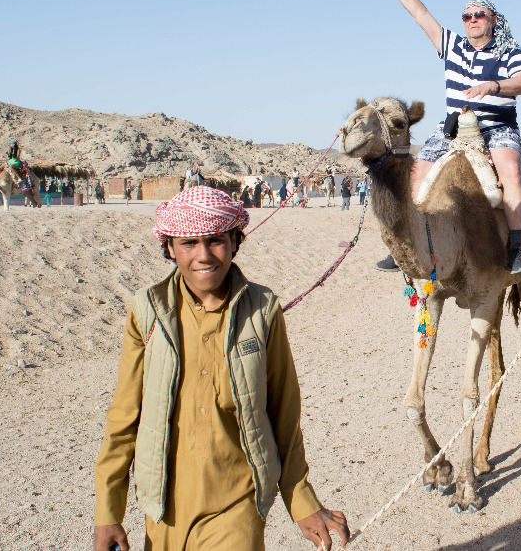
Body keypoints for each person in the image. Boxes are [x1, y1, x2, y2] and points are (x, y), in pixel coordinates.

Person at [92, 186, 349, 551]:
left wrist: (301, 501)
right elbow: (124, 418)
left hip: (237, 505)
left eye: (215, 240)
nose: (203, 256)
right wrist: (108, 513)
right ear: (169, 248)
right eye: (188, 243)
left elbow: (284, 414)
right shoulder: (147, 312)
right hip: (164, 508)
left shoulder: (263, 311)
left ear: (234, 241)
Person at [374, 0, 521, 276]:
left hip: (497, 127)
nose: (472, 19)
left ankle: (516, 247)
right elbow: (420, 14)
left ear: (493, 20)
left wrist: (494, 86)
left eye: (479, 14)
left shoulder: (509, 51)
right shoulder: (451, 45)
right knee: (415, 178)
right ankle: (407, 245)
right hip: (452, 128)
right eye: (467, 16)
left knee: (509, 171)